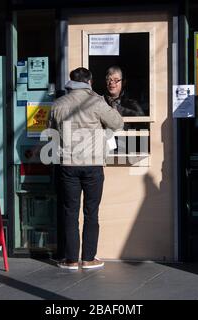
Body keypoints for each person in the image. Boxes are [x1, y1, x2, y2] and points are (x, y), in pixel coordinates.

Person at [49, 67, 124, 270]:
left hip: (68, 165)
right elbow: (117, 123)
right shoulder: (96, 102)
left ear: (71, 82)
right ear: (89, 82)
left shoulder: (58, 104)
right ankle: (89, 258)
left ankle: (71, 259)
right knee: (92, 212)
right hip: (92, 165)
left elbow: (51, 134)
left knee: (70, 212)